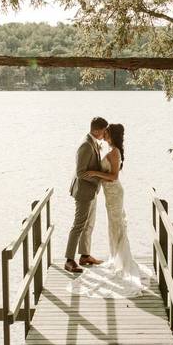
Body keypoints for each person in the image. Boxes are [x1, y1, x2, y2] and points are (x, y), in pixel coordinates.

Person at [68, 123, 148, 298]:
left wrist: (95, 173)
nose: (104, 134)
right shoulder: (107, 148)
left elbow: (113, 177)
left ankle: (121, 260)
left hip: (114, 193)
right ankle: (115, 257)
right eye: (104, 131)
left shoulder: (114, 152)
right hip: (108, 194)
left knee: (117, 225)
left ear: (112, 134)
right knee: (113, 226)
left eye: (107, 132)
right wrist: (95, 173)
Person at [64, 117, 109, 274]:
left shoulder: (94, 142)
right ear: (96, 130)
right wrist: (99, 178)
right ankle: (69, 260)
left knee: (89, 224)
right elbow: (80, 172)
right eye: (104, 130)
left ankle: (85, 255)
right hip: (83, 191)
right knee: (79, 225)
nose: (105, 133)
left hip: (91, 190)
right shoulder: (86, 145)